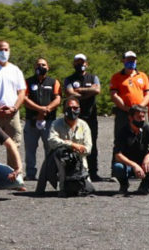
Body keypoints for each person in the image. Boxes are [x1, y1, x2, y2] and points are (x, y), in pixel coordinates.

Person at [42, 96, 93, 196]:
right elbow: (51, 141)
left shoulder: (84, 125)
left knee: (89, 189)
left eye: (75, 108)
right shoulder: (56, 124)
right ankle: (62, 187)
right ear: (64, 109)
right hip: (62, 161)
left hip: (80, 161)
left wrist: (76, 151)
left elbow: (88, 149)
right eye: (69, 108)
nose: (72, 110)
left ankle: (78, 183)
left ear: (79, 109)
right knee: (60, 152)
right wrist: (72, 145)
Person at [64, 53, 102, 182]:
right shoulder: (69, 79)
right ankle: (75, 170)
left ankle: (93, 172)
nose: (80, 65)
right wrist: (88, 92)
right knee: (74, 143)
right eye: (78, 62)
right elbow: (69, 92)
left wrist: (79, 91)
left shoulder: (93, 77)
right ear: (74, 64)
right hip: (74, 117)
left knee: (92, 144)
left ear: (87, 63)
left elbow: (97, 90)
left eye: (83, 62)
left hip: (91, 116)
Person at [113, 105, 149, 195]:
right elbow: (118, 155)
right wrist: (134, 165)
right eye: (139, 117)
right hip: (128, 165)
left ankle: (145, 185)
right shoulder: (123, 131)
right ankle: (124, 185)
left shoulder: (146, 128)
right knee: (118, 167)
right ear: (130, 118)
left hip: (144, 164)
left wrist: (148, 157)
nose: (142, 119)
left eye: (143, 117)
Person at [110, 51, 149, 169]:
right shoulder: (116, 77)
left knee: (144, 138)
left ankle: (145, 167)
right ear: (123, 61)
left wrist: (139, 109)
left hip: (141, 112)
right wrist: (126, 108)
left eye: (133, 60)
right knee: (120, 138)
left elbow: (148, 95)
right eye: (128, 60)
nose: (131, 62)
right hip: (123, 112)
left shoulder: (142, 76)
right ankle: (117, 168)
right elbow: (114, 95)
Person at [23, 57, 61, 181]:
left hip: (49, 120)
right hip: (31, 120)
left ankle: (49, 173)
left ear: (48, 67)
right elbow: (24, 99)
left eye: (44, 65)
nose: (41, 67)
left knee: (50, 148)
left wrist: (47, 109)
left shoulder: (54, 82)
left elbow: (58, 98)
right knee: (30, 149)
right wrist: (39, 109)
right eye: (39, 65)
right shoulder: (27, 82)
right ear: (35, 67)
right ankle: (30, 174)